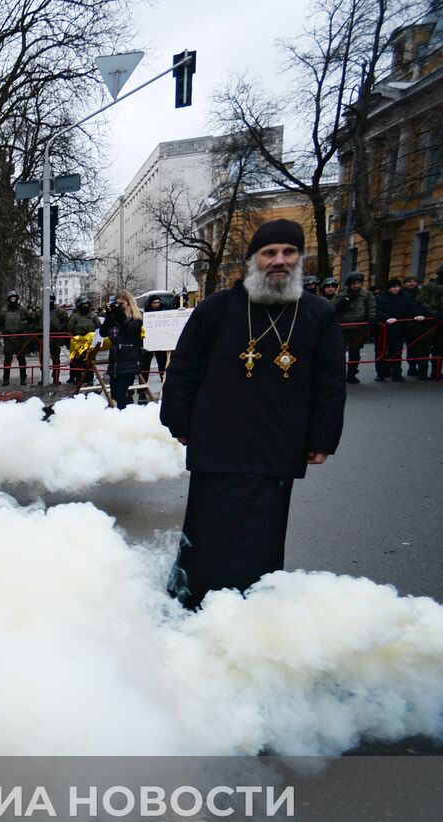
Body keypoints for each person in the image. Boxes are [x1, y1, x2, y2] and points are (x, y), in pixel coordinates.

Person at [160, 218, 346, 611]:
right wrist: (178, 420)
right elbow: (184, 367)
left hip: (277, 445)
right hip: (217, 442)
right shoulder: (219, 308)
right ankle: (190, 603)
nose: (279, 260)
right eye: (269, 253)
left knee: (261, 536)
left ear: (299, 259)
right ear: (252, 261)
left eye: (288, 252)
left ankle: (251, 610)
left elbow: (329, 381)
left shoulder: (317, 314)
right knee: (207, 531)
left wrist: (322, 437)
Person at [373, 277, 424, 381]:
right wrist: (386, 318)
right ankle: (381, 374)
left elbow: (414, 307)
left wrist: (419, 315)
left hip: (399, 329)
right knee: (381, 352)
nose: (395, 289)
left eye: (397, 287)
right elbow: (377, 312)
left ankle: (397, 374)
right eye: (393, 287)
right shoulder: (381, 298)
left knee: (396, 352)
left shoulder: (406, 297)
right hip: (383, 329)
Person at [332, 272, 375, 384]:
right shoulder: (342, 295)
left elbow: (371, 308)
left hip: (358, 327)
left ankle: (352, 374)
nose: (356, 286)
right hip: (343, 327)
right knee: (340, 353)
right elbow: (332, 308)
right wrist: (345, 301)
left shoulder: (366, 294)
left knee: (355, 353)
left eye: (358, 283)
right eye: (354, 283)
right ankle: (339, 375)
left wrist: (372, 319)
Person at [104, 291, 144, 407]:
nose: (119, 307)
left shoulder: (137, 316)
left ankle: (125, 418)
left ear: (128, 303)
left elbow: (132, 330)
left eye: (122, 304)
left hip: (129, 361)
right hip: (115, 362)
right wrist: (108, 315)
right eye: (117, 304)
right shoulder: (115, 316)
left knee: (121, 394)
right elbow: (102, 332)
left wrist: (121, 317)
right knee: (115, 395)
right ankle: (128, 411)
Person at [0, 290, 31, 385]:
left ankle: (23, 378)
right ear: (8, 299)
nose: (13, 299)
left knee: (21, 358)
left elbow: (29, 320)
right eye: (11, 298)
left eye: (15, 298)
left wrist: (25, 327)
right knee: (8, 358)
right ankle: (6, 379)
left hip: (20, 336)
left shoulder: (22, 309)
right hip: (8, 337)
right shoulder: (4, 311)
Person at [401, 275, 431, 377]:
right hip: (409, 325)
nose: (412, 283)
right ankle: (412, 367)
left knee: (424, 348)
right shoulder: (402, 294)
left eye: (414, 281)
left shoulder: (422, 293)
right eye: (409, 281)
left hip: (423, 324)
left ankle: (422, 370)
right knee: (411, 347)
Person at [66, 298, 97, 386]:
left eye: (87, 305)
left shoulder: (93, 316)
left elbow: (98, 327)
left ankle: (89, 378)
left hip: (89, 342)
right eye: (83, 305)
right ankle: (77, 378)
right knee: (77, 361)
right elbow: (70, 328)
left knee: (90, 360)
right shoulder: (75, 317)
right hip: (78, 342)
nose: (85, 307)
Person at [141, 294, 170, 384]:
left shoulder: (164, 312)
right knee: (145, 366)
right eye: (155, 303)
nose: (157, 304)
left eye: (158, 302)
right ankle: (142, 388)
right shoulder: (145, 314)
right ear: (150, 303)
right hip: (148, 342)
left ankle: (164, 383)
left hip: (160, 342)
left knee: (162, 364)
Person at [46, 294, 69, 383]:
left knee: (55, 357)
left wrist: (59, 328)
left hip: (56, 336)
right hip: (44, 336)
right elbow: (34, 320)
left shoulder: (59, 311)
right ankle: (44, 377)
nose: (50, 301)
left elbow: (66, 321)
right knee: (43, 358)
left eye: (51, 299)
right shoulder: (42, 310)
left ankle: (56, 377)